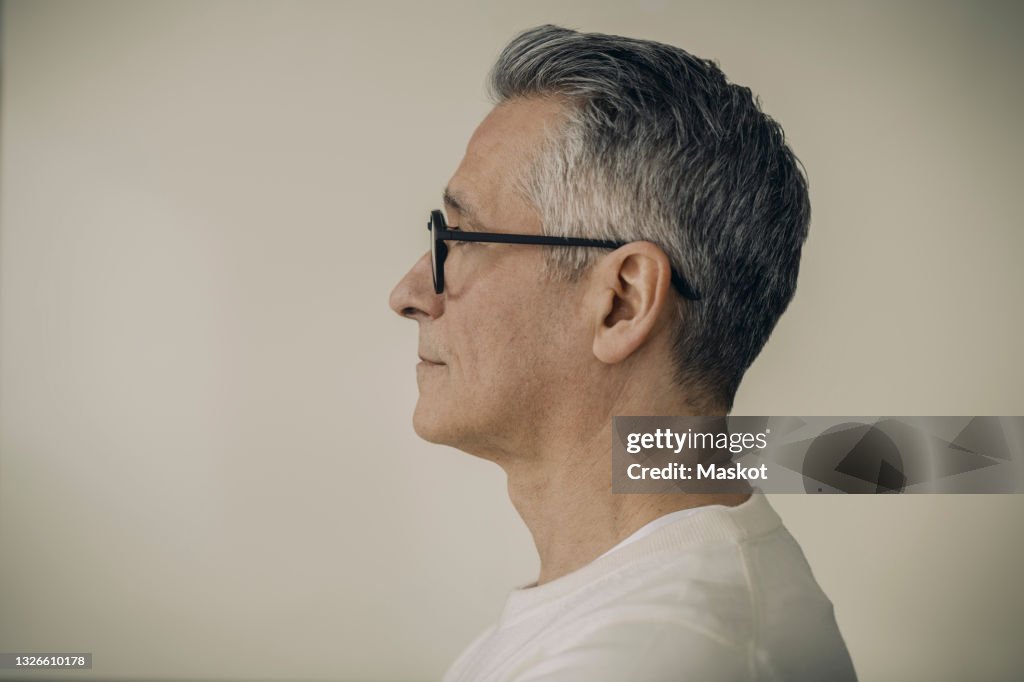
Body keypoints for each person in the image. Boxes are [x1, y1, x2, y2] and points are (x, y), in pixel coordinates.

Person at [389, 24, 857, 682]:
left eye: (459, 237)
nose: (408, 293)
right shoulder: (650, 606)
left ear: (622, 303)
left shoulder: (643, 657)